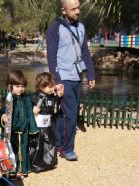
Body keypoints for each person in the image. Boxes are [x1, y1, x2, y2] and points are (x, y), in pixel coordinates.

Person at [46, 0, 96, 161]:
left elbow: (85, 52)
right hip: (64, 77)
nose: (77, 11)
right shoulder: (55, 27)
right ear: (63, 10)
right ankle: (67, 149)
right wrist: (57, 80)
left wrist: (91, 74)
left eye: (78, 8)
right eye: (73, 9)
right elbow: (51, 57)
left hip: (77, 76)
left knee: (65, 114)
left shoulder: (81, 26)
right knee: (72, 112)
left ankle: (59, 143)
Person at [0, 70, 38, 177]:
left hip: (24, 131)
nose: (21, 89)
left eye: (23, 86)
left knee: (23, 151)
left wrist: (33, 128)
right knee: (12, 151)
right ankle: (12, 171)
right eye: (17, 86)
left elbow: (30, 113)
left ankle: (23, 170)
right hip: (11, 132)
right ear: (10, 86)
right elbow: (1, 112)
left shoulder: (26, 98)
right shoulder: (8, 99)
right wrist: (2, 117)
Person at [29, 72, 62, 173]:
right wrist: (34, 109)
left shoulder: (51, 96)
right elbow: (31, 109)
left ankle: (49, 162)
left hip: (48, 125)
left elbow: (54, 105)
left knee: (49, 144)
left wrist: (58, 96)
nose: (52, 88)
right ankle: (35, 164)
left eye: (53, 85)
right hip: (38, 126)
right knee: (38, 145)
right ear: (42, 86)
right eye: (50, 86)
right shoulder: (35, 96)